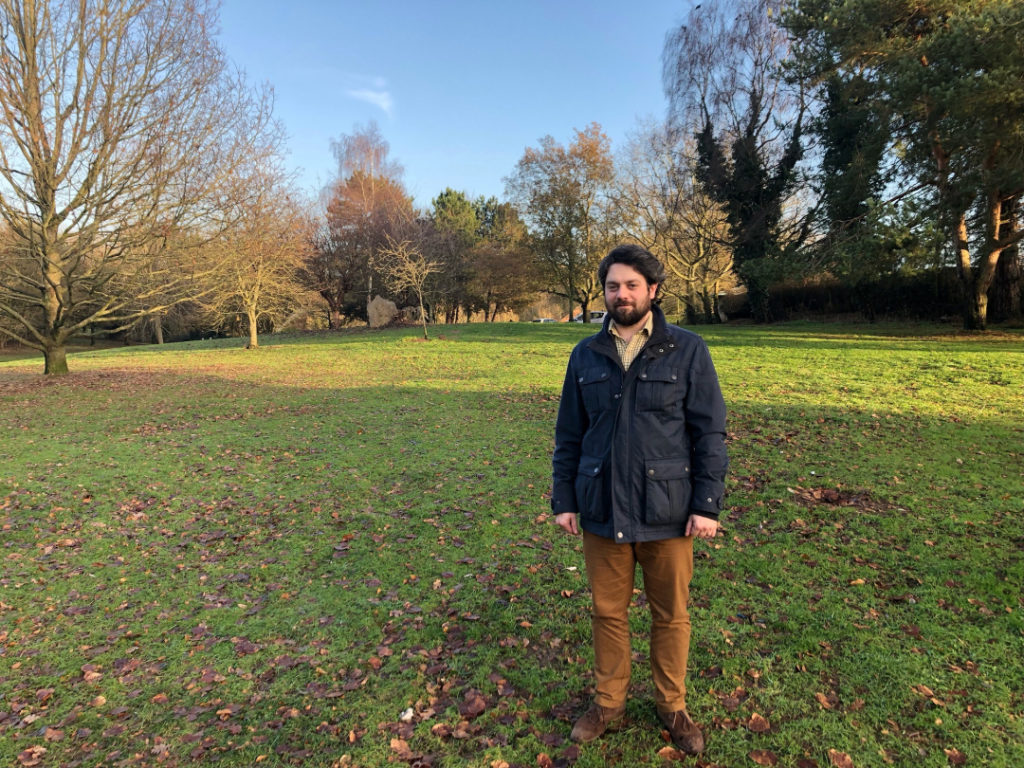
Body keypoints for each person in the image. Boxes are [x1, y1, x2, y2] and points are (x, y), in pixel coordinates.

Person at [551, 244, 728, 754]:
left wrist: (706, 504)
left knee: (670, 614)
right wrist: (565, 498)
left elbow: (709, 433)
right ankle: (609, 702)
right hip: (602, 505)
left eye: (631, 285)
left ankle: (672, 705)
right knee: (608, 612)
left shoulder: (688, 349)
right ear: (603, 292)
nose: (621, 294)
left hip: (668, 511)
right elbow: (569, 433)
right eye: (613, 286)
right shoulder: (585, 354)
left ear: (653, 290)